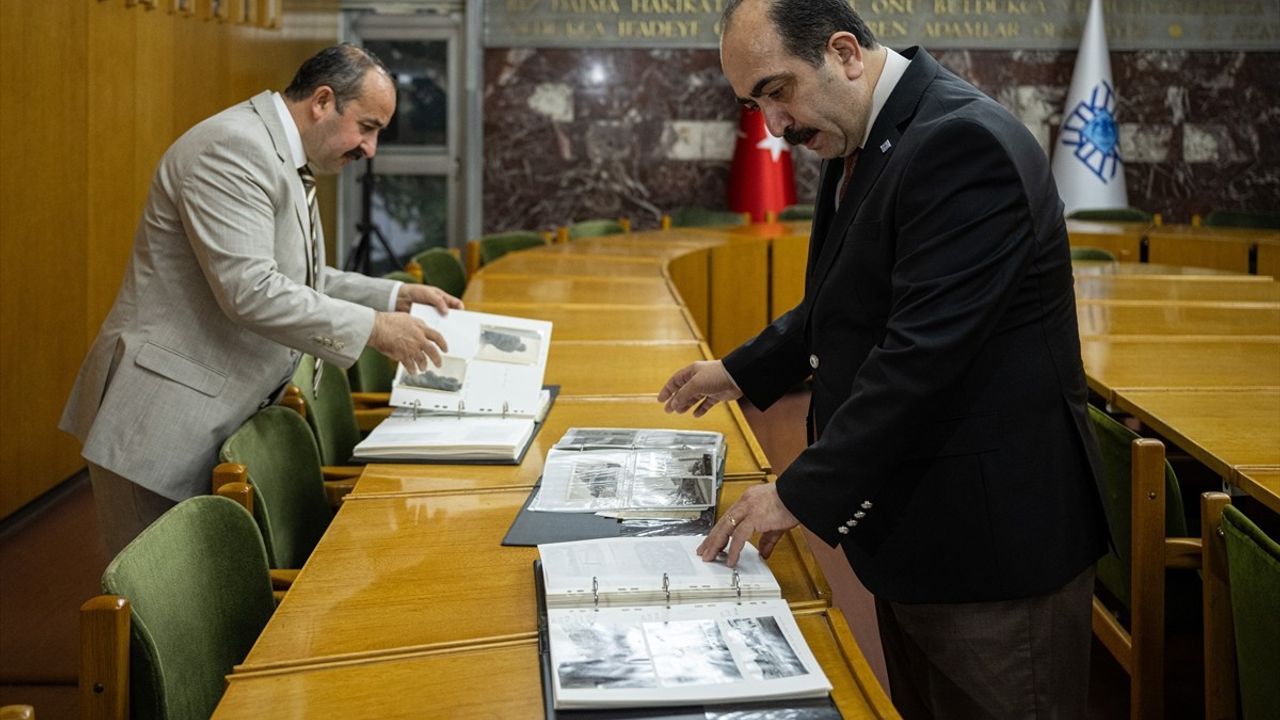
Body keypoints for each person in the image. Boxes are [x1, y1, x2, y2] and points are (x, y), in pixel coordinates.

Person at [658, 1, 1110, 717]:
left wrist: (795, 492)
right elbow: (845, 301)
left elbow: (920, 356)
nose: (774, 127)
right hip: (921, 531)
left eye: (776, 92)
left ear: (843, 52)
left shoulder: (963, 144)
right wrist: (741, 370)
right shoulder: (869, 134)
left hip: (992, 550)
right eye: (754, 104)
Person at [61, 44, 462, 557]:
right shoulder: (234, 148)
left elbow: (298, 277)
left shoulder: (280, 151)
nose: (370, 148)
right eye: (367, 126)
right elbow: (251, 290)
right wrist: (374, 329)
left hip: (208, 407)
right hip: (160, 417)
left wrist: (393, 295)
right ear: (321, 101)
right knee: (160, 615)